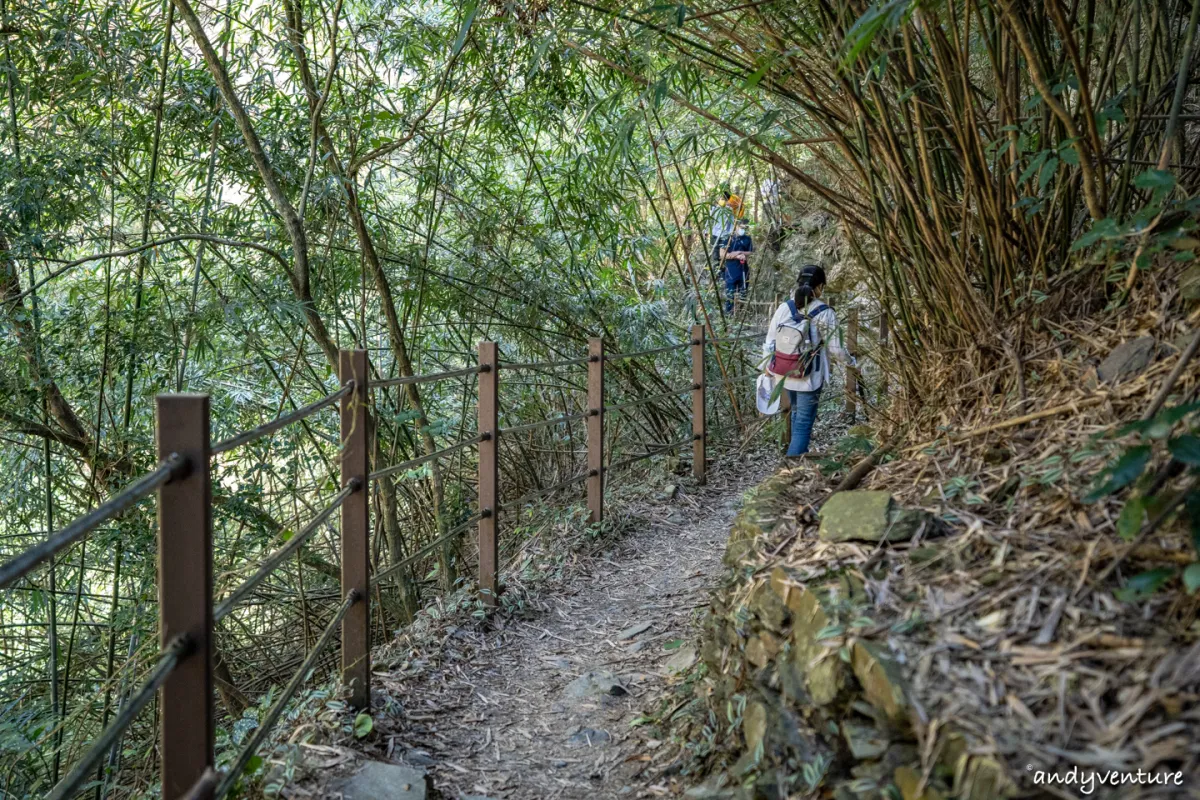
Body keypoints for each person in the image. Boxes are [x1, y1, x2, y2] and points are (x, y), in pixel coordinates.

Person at [761, 265, 855, 457]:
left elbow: (770, 341)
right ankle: (791, 467)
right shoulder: (825, 312)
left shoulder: (783, 308)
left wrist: (766, 367)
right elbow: (836, 349)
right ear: (820, 287)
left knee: (796, 412)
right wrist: (852, 363)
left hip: (783, 372)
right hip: (808, 375)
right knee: (803, 421)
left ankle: (793, 462)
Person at [723, 221, 753, 312]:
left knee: (743, 293)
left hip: (743, 269)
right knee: (730, 294)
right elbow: (722, 254)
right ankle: (729, 314)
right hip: (731, 270)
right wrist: (736, 256)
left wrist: (741, 253)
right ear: (736, 226)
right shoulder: (728, 238)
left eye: (744, 228)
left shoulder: (747, 239)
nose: (742, 230)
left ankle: (740, 313)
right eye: (741, 227)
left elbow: (750, 252)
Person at [708, 192, 735, 262]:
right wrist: (706, 231)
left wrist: (731, 233)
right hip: (714, 233)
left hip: (724, 235)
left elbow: (731, 222)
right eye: (721, 198)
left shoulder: (729, 209)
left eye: (724, 199)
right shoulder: (714, 208)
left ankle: (721, 268)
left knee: (722, 254)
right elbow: (709, 220)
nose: (722, 200)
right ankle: (716, 268)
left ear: (727, 200)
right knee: (715, 253)